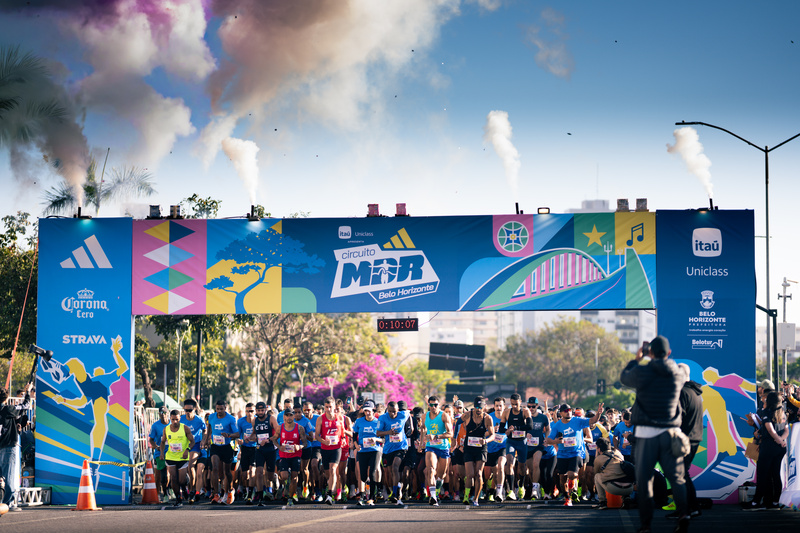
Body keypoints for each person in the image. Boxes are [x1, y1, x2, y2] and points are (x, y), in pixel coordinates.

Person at [620, 335, 689, 533]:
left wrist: (637, 358)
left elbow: (624, 377)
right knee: (677, 479)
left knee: (644, 481)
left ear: (649, 353)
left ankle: (646, 525)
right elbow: (681, 368)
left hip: (645, 434)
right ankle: (683, 514)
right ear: (668, 353)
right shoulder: (678, 373)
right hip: (670, 433)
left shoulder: (641, 371)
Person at [545, 402, 603, 506]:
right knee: (562, 478)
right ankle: (567, 498)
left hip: (576, 452)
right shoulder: (557, 425)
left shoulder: (578, 421)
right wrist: (557, 441)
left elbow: (593, 420)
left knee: (572, 474)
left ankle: (573, 483)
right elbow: (548, 440)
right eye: (566, 411)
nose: (568, 412)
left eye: (570, 410)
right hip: (562, 454)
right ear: (561, 413)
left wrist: (598, 413)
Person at [747, 391, 788, 510]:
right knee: (775, 474)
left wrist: (777, 439)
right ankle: (774, 501)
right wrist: (781, 440)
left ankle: (756, 502)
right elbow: (786, 431)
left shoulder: (766, 412)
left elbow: (770, 430)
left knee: (763, 475)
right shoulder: (783, 413)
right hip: (780, 449)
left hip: (768, 447)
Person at [674, 363, 703, 518]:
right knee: (683, 474)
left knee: (681, 474)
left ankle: (689, 508)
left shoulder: (682, 393)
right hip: (694, 437)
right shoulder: (695, 392)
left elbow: (677, 418)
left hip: (684, 439)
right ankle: (690, 507)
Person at [0, 383, 32, 511]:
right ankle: (8, 503)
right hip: (8, 447)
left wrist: (16, 426)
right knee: (9, 476)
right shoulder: (8, 409)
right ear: (6, 398)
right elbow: (25, 405)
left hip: (2, 445)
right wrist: (28, 392)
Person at [460, 396, 494, 506]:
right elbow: (456, 425)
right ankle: (466, 497)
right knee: (469, 474)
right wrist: (455, 441)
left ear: (484, 407)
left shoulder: (488, 418)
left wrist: (486, 440)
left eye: (480, 407)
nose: (478, 409)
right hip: (469, 447)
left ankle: (476, 499)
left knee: (478, 474)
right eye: (476, 407)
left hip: (481, 448)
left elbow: (493, 435)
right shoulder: (467, 415)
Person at [204, 399, 239, 504]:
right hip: (215, 446)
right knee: (214, 468)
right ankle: (216, 494)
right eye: (217, 409)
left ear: (226, 408)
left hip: (227, 447)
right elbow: (209, 428)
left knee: (227, 472)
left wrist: (228, 435)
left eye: (221, 409)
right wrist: (206, 441)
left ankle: (230, 490)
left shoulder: (231, 419)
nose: (219, 411)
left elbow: (237, 434)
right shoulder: (211, 417)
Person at [271, 408, 308, 505]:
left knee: (294, 477)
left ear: (294, 416)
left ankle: (290, 497)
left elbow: (305, 443)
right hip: (284, 455)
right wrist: (279, 447)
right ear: (284, 417)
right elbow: (274, 439)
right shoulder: (280, 428)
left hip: (295, 455)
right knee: (284, 476)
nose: (289, 417)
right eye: (287, 415)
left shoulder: (299, 428)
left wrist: (299, 446)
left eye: (291, 415)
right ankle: (286, 486)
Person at [377, 400, 411, 505]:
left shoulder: (403, 415)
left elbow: (409, 413)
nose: (393, 414)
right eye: (391, 412)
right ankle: (393, 490)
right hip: (388, 449)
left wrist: (410, 428)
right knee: (387, 473)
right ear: (388, 410)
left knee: (395, 467)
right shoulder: (382, 418)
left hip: (401, 447)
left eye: (395, 411)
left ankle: (395, 493)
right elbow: (378, 433)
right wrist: (388, 432)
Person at [160, 409, 195, 507]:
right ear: (170, 419)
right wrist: (162, 453)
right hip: (171, 457)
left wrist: (187, 449)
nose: (175, 422)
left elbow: (192, 441)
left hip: (182, 458)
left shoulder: (185, 428)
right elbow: (162, 442)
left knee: (182, 480)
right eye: (173, 420)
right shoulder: (166, 429)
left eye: (177, 420)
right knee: (174, 478)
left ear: (180, 418)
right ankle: (178, 499)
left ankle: (184, 487)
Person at [247, 401, 280, 505]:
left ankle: (274, 479)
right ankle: (260, 496)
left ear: (265, 410)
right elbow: (254, 433)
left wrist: (268, 440)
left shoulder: (271, 419)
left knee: (269, 476)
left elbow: (278, 433)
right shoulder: (254, 421)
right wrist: (248, 438)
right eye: (258, 410)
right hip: (259, 449)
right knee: (259, 472)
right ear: (256, 411)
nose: (260, 412)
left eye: (262, 410)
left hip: (270, 449)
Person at [423, 395, 453, 506]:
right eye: (431, 405)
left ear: (439, 405)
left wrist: (436, 436)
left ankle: (437, 488)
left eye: (436, 405)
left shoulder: (444, 416)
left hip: (443, 447)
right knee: (430, 469)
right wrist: (422, 441)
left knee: (441, 475)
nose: (434, 407)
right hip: (431, 446)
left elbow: (451, 433)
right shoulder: (424, 416)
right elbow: (423, 429)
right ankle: (433, 497)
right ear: (429, 405)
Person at [316, 396, 346, 505]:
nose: (329, 409)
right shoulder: (321, 419)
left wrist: (343, 440)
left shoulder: (340, 418)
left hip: (336, 448)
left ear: (334, 407)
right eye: (327, 407)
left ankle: (329, 494)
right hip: (325, 448)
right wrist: (324, 441)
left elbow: (342, 434)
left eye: (330, 407)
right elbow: (317, 436)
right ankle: (330, 488)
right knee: (328, 473)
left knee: (333, 469)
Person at [501, 393, 531, 501]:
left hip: (522, 442)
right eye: (512, 404)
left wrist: (517, 428)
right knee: (509, 463)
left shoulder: (525, 411)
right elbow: (501, 428)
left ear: (520, 402)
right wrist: (507, 431)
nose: (514, 406)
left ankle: (521, 486)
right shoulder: (507, 412)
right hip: (511, 441)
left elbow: (529, 426)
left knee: (522, 467)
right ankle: (511, 490)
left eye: (516, 404)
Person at [353, 400, 383, 505]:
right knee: (363, 476)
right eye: (365, 411)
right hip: (362, 450)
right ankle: (364, 494)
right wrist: (356, 445)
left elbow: (383, 439)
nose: (367, 413)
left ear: (373, 411)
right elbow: (354, 435)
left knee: (373, 472)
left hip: (374, 450)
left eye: (369, 411)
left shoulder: (378, 422)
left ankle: (372, 497)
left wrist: (376, 439)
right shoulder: (359, 421)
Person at [593, 437, 634, 509]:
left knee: (597, 476)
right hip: (629, 488)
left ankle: (602, 502)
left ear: (599, 449)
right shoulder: (618, 453)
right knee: (622, 474)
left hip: (614, 488)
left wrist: (597, 455)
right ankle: (626, 498)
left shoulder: (599, 458)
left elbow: (596, 471)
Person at [180, 399, 206, 504]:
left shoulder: (199, 420)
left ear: (194, 409)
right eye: (186, 410)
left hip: (196, 445)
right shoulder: (181, 419)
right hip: (185, 446)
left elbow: (205, 430)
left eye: (190, 410)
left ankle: (195, 491)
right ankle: (190, 488)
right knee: (186, 471)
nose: (188, 412)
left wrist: (204, 440)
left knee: (194, 468)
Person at [524, 397, 550, 500]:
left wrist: (547, 439)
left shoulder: (543, 417)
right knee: (530, 470)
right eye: (529, 406)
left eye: (533, 406)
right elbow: (520, 430)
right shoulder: (525, 418)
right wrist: (525, 434)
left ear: (537, 406)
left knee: (536, 464)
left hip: (538, 445)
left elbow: (548, 429)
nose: (531, 408)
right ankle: (536, 486)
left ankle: (534, 489)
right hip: (527, 445)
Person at [148, 407, 171, 502]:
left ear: (168, 413)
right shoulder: (155, 425)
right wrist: (156, 446)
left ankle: (167, 491)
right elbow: (151, 440)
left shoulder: (172, 424)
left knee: (168, 475)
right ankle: (157, 495)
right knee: (158, 476)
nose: (162, 414)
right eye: (160, 412)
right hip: (159, 453)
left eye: (164, 412)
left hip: (171, 452)